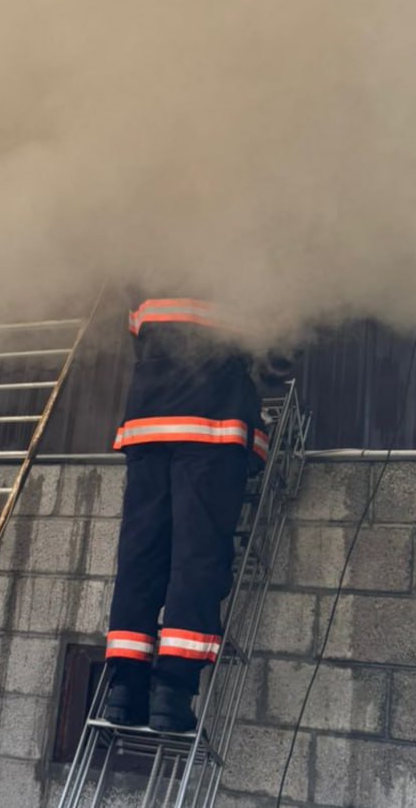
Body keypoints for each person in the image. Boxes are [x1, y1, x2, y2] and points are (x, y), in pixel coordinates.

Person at [104, 295, 294, 732]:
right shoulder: (248, 275)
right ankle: (172, 692)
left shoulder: (143, 271)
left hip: (147, 422)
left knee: (140, 555)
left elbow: (141, 335)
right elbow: (276, 355)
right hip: (211, 423)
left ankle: (124, 690)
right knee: (197, 556)